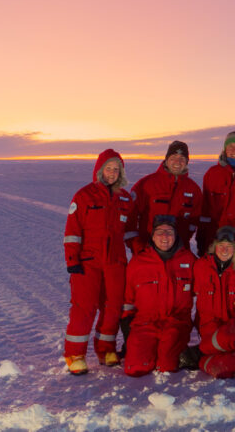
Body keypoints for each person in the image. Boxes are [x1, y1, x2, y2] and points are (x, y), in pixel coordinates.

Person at [63, 149, 136, 375]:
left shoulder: (124, 198)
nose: (112, 173)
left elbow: (130, 231)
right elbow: (73, 231)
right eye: (109, 168)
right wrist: (73, 259)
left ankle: (106, 350)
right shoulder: (84, 195)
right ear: (99, 170)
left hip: (115, 263)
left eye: (117, 169)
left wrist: (141, 254)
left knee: (113, 308)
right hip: (88, 262)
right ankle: (75, 355)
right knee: (84, 309)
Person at [120, 215, 196, 376]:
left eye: (169, 232)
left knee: (166, 366)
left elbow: (205, 289)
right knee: (136, 368)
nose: (165, 237)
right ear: (152, 235)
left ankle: (179, 353)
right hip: (145, 322)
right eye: (160, 232)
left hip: (176, 322)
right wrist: (127, 324)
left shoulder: (189, 260)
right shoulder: (138, 262)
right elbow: (128, 297)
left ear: (176, 235)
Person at [193, 225, 235, 354]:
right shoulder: (200, 266)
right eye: (221, 245)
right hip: (209, 328)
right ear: (214, 247)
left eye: (229, 246)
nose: (224, 250)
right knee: (214, 357)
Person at [129, 141, 202, 255]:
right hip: (148, 251)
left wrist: (184, 241)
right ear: (166, 159)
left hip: (178, 253)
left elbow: (194, 221)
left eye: (182, 158)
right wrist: (137, 246)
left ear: (187, 162)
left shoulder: (194, 189)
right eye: (173, 157)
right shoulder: (146, 184)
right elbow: (129, 217)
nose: (178, 162)